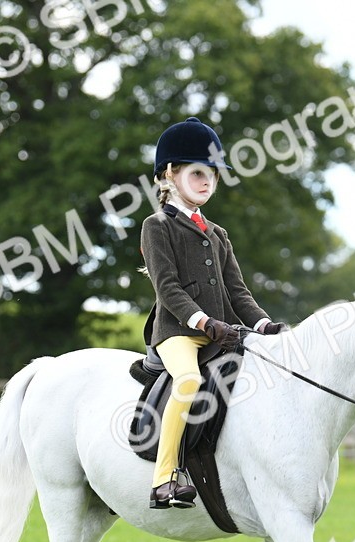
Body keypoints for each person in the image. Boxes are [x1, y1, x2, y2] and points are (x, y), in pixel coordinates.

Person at [140, 116, 285, 510]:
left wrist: (263, 324)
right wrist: (203, 322)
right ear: (170, 174)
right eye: (198, 173)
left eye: (213, 175)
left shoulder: (217, 234)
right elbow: (167, 288)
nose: (208, 182)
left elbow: (237, 292)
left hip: (221, 333)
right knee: (187, 381)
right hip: (177, 335)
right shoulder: (157, 227)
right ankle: (165, 478)